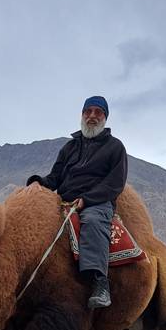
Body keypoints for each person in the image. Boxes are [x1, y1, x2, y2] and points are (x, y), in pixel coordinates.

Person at [26, 96, 128, 308]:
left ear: (105, 117)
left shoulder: (115, 147)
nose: (92, 116)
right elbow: (55, 177)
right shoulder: (70, 147)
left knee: (92, 221)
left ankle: (100, 282)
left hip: (97, 203)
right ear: (82, 115)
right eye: (87, 112)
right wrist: (38, 183)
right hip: (63, 200)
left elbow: (115, 183)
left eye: (97, 112)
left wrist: (87, 200)